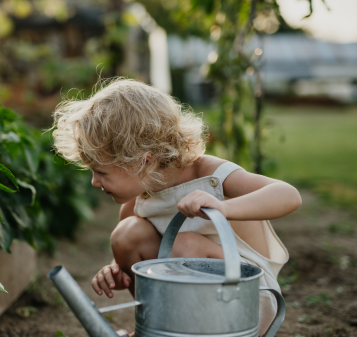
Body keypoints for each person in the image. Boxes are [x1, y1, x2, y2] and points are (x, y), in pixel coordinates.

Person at [50, 78, 301, 335]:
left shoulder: (210, 175)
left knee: (185, 245)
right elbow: (128, 252)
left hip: (246, 302)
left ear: (142, 162)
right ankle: (159, 328)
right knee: (127, 234)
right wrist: (114, 269)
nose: (94, 182)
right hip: (193, 305)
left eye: (100, 172)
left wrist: (223, 208)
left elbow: (288, 195)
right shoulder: (140, 200)